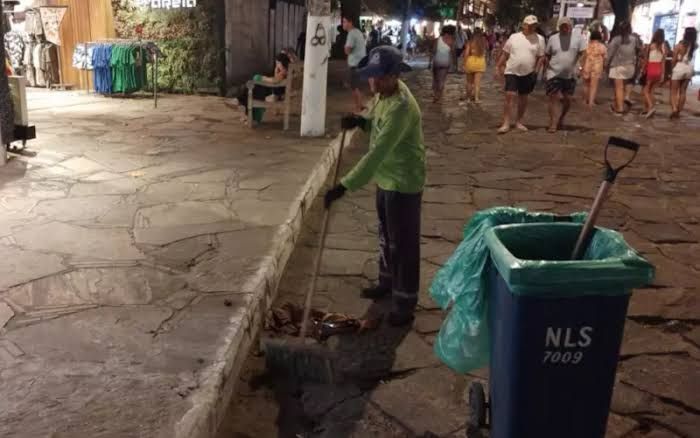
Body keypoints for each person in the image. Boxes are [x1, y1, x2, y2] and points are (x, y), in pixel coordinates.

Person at [324, 46, 425, 327]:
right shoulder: (384, 95)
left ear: (394, 76)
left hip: (403, 182)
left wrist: (344, 186)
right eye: (371, 77)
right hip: (386, 177)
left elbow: (376, 153)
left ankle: (405, 302)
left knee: (403, 244)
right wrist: (360, 121)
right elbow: (375, 123)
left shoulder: (402, 108)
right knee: (385, 235)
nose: (373, 83)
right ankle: (387, 281)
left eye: (378, 77)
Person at [495, 15, 545, 134]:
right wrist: (498, 66)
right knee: (510, 95)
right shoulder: (514, 37)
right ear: (524, 25)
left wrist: (536, 71)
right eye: (530, 25)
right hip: (512, 71)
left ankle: (519, 121)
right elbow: (505, 53)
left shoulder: (540, 39)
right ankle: (506, 122)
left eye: (534, 25)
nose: (532, 27)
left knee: (523, 98)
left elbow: (541, 56)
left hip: (528, 72)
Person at [544, 17, 586, 133]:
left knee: (567, 99)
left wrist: (581, 68)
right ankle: (553, 123)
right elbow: (547, 55)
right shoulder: (553, 38)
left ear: (571, 27)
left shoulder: (579, 38)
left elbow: (583, 54)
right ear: (559, 27)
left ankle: (561, 118)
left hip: (570, 74)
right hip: (553, 73)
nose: (564, 28)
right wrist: (545, 70)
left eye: (566, 26)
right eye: (562, 26)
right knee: (553, 97)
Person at [231, 53, 291, 124]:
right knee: (253, 86)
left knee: (255, 82)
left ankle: (241, 103)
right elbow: (275, 80)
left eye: (278, 63)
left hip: (273, 90)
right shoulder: (287, 70)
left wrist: (262, 78)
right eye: (276, 63)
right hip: (274, 90)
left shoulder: (284, 72)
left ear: (282, 62)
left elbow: (274, 81)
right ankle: (247, 111)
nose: (277, 65)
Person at [606, 22, 639, 115]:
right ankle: (616, 105)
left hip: (618, 66)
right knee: (622, 87)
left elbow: (610, 54)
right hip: (630, 67)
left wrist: (606, 64)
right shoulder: (634, 39)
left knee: (618, 88)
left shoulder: (616, 40)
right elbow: (637, 52)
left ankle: (619, 108)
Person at [670, 27, 697, 118]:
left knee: (674, 91)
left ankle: (674, 108)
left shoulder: (679, 45)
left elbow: (673, 60)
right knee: (683, 91)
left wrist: (671, 69)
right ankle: (679, 111)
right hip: (689, 69)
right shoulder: (695, 45)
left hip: (679, 68)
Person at [640, 29, 667, 118]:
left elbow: (646, 60)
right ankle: (647, 109)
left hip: (651, 68)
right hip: (659, 70)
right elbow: (663, 62)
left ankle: (651, 107)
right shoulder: (664, 48)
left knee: (645, 90)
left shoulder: (650, 46)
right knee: (651, 91)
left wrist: (643, 70)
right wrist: (663, 74)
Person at [343, 15, 367, 113]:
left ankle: (359, 107)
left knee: (355, 87)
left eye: (344, 21)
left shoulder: (352, 34)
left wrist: (345, 49)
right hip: (360, 63)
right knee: (355, 86)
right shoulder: (357, 32)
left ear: (350, 22)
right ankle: (360, 106)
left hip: (355, 64)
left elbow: (348, 50)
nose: (343, 24)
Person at [580, 29, 607, 107]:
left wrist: (581, 67)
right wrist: (604, 66)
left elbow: (583, 57)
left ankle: (585, 100)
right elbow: (605, 58)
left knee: (585, 84)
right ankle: (591, 102)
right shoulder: (602, 47)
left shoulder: (587, 45)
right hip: (597, 67)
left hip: (587, 66)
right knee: (593, 85)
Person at [430, 25, 456, 103]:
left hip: (437, 61)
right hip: (445, 62)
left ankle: (435, 95)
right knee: (442, 80)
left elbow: (433, 51)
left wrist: (429, 61)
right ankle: (439, 96)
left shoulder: (438, 40)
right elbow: (453, 53)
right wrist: (454, 64)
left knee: (435, 79)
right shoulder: (451, 41)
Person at [464, 27, 487, 103]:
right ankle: (476, 98)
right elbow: (485, 51)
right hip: (480, 62)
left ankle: (468, 98)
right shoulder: (483, 42)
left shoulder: (470, 42)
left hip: (470, 62)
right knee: (477, 83)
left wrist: (464, 63)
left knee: (469, 82)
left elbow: (466, 53)